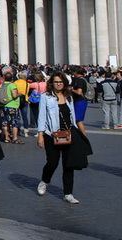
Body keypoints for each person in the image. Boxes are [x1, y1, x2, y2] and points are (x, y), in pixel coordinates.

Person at [36, 73, 91, 204]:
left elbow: (72, 117)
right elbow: (42, 117)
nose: (58, 84)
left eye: (61, 82)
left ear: (65, 83)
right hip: (51, 134)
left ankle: (68, 193)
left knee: (68, 165)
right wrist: (40, 135)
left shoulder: (69, 97)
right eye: (56, 82)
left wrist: (80, 131)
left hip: (68, 134)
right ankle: (45, 180)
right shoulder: (46, 97)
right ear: (51, 83)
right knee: (52, 162)